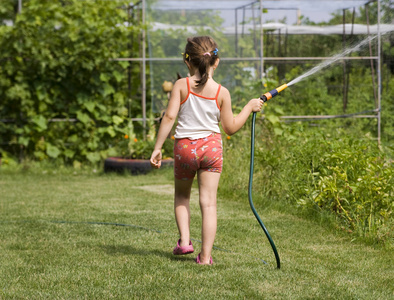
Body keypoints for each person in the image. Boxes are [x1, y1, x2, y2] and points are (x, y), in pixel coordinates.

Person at [150, 36, 263, 265]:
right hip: (211, 147)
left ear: (187, 61)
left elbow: (170, 116)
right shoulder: (222, 92)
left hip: (184, 147)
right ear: (216, 62)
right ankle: (205, 257)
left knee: (182, 196)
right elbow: (230, 127)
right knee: (209, 203)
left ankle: (184, 242)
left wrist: (158, 147)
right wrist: (249, 107)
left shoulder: (181, 86)